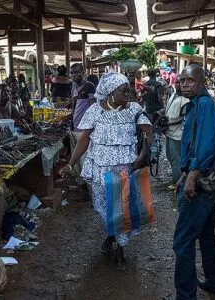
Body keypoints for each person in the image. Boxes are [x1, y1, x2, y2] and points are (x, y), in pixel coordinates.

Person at [58, 71, 152, 271]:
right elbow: (84, 140)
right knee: (106, 208)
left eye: (128, 89)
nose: (128, 93)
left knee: (122, 209)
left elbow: (149, 132)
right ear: (110, 92)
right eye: (123, 90)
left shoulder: (133, 109)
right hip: (100, 171)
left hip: (124, 170)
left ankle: (120, 251)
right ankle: (111, 236)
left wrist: (142, 156)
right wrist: (70, 163)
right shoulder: (94, 111)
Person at [173, 64, 215, 299]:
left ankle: (185, 296)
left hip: (203, 179)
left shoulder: (204, 104)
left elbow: (205, 146)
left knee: (183, 241)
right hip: (200, 175)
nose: (185, 84)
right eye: (182, 80)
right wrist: (185, 172)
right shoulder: (195, 104)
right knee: (205, 233)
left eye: (190, 80)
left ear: (202, 81)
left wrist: (192, 177)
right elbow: (193, 143)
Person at [67, 63, 97, 184]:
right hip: (74, 127)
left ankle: (88, 188)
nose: (74, 75)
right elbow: (74, 107)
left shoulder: (90, 87)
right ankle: (81, 185)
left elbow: (93, 107)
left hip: (84, 130)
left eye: (77, 72)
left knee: (84, 160)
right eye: (72, 73)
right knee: (76, 161)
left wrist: (92, 128)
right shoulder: (73, 87)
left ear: (83, 72)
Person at [164, 82, 189, 188]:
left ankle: (178, 183)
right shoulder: (174, 95)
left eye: (181, 83)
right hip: (170, 133)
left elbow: (182, 118)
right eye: (177, 83)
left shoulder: (185, 100)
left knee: (176, 159)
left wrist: (168, 123)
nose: (179, 85)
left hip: (177, 134)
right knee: (170, 156)